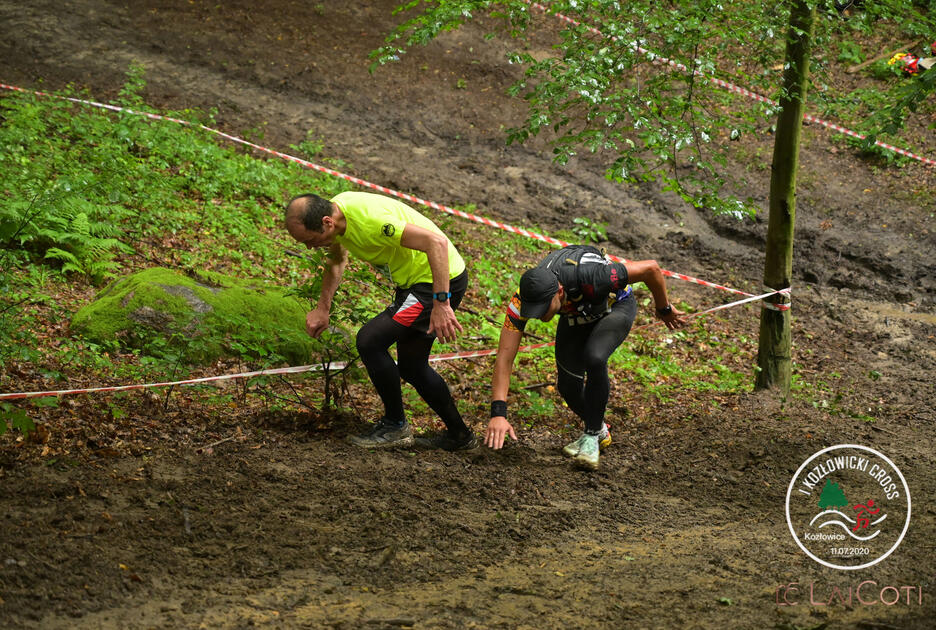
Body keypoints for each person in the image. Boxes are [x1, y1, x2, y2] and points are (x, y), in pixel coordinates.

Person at [284, 190, 477, 451]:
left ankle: (395, 425)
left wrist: (441, 302)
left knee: (370, 340)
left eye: (310, 240)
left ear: (327, 222)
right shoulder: (338, 217)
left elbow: (436, 243)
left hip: (434, 284)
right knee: (411, 366)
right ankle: (460, 435)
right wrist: (322, 308)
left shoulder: (371, 221)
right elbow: (337, 261)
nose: (309, 247)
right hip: (416, 284)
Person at [483, 245, 687, 470]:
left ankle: (590, 436)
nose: (539, 316)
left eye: (543, 309)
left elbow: (651, 269)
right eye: (534, 311)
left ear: (559, 292)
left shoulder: (592, 275)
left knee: (595, 357)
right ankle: (599, 430)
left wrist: (664, 308)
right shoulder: (521, 301)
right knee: (568, 385)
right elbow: (505, 356)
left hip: (614, 307)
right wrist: (498, 413)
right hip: (576, 316)